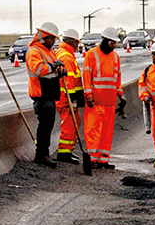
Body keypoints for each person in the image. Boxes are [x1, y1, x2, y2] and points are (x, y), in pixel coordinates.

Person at [23, 22, 64, 163]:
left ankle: (44, 154)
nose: (54, 41)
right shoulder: (34, 51)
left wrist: (59, 72)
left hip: (49, 93)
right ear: (44, 37)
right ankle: (41, 155)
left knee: (48, 125)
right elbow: (39, 70)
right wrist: (54, 65)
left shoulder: (49, 52)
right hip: (41, 94)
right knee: (45, 126)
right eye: (52, 38)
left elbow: (50, 72)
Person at [82, 32, 124, 168]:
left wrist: (120, 94)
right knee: (93, 130)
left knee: (107, 131)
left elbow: (117, 78)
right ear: (105, 40)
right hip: (95, 100)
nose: (113, 46)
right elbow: (87, 76)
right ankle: (92, 158)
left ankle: (103, 159)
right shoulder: (92, 54)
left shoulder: (116, 57)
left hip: (110, 101)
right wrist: (88, 94)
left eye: (115, 43)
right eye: (111, 43)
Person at [54, 29, 87, 162]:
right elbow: (67, 82)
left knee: (74, 122)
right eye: (77, 42)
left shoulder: (65, 53)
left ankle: (67, 150)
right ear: (73, 41)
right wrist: (72, 100)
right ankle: (64, 153)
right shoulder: (66, 57)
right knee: (69, 124)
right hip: (65, 99)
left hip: (66, 98)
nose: (78, 45)